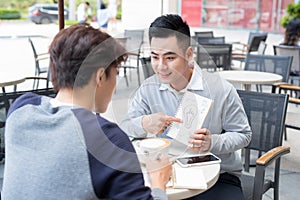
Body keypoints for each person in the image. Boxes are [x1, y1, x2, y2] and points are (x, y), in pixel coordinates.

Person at [1, 24, 172, 199]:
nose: (115, 83)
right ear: (100, 77)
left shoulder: (21, 109)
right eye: (116, 73)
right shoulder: (106, 137)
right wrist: (159, 182)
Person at [120, 14, 252, 199]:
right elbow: (125, 127)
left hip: (219, 176)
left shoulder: (220, 89)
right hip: (167, 174)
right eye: (155, 57)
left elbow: (244, 135)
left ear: (189, 54)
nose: (160, 66)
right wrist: (144, 122)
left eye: (170, 57)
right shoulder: (148, 89)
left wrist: (212, 142)